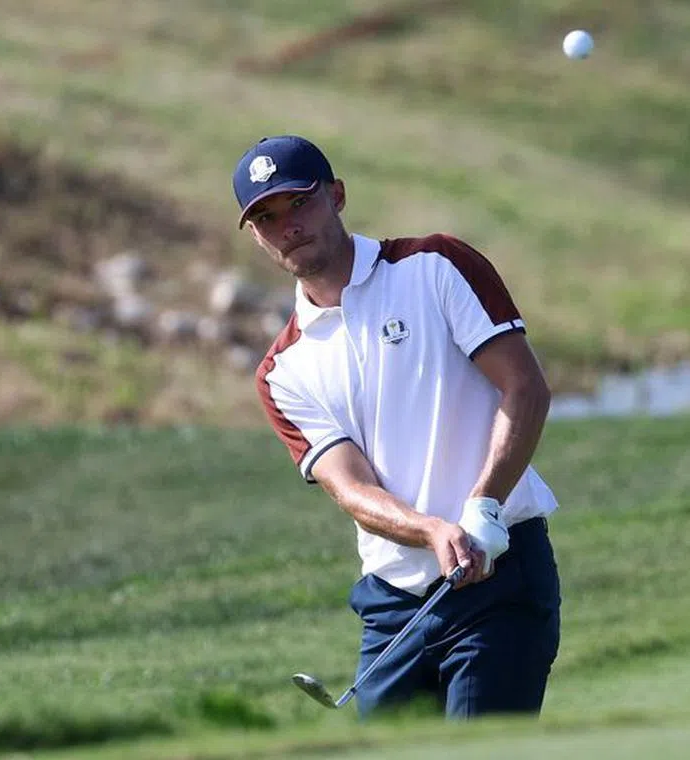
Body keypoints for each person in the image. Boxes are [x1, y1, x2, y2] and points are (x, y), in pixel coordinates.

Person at [233, 134, 561, 720]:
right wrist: (432, 530)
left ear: (336, 195)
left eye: (299, 203)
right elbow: (351, 489)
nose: (287, 226)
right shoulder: (281, 370)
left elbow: (525, 387)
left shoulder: (435, 267)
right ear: (255, 234)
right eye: (266, 217)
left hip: (500, 582)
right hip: (393, 608)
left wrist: (481, 506)